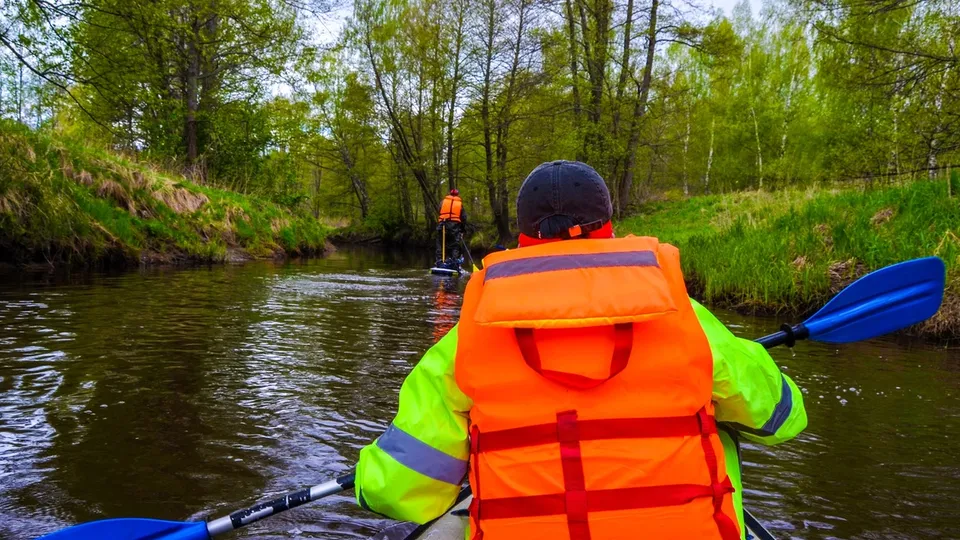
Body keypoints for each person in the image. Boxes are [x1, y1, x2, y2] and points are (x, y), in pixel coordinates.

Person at [357, 161, 806, 539]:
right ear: (610, 228)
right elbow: (783, 417)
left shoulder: (465, 341)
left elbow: (399, 490)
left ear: (522, 237)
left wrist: (365, 481)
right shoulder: (688, 320)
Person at [436, 189, 466, 268]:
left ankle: (439, 261)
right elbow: (464, 218)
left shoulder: (443, 202)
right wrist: (462, 230)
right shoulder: (460, 204)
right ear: (457, 195)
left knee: (441, 244)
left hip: (442, 225)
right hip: (454, 227)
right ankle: (454, 262)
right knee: (454, 245)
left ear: (449, 194)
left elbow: (439, 211)